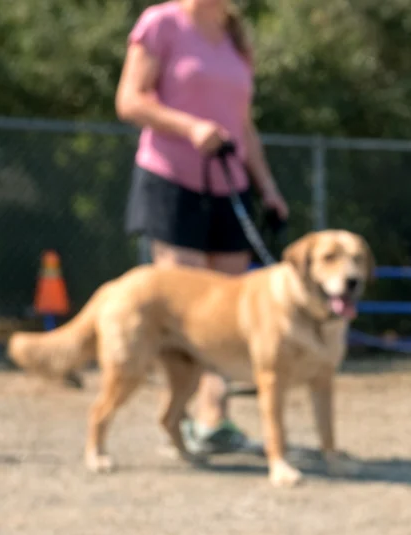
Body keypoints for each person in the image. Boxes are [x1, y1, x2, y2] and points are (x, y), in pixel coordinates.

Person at [115, 0, 289, 456]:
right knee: (182, 309)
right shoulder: (161, 23)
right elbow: (129, 100)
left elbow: (243, 125)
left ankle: (214, 420)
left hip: (230, 184)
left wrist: (267, 187)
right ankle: (176, 420)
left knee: (227, 316)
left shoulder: (235, 37)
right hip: (171, 180)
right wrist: (190, 127)